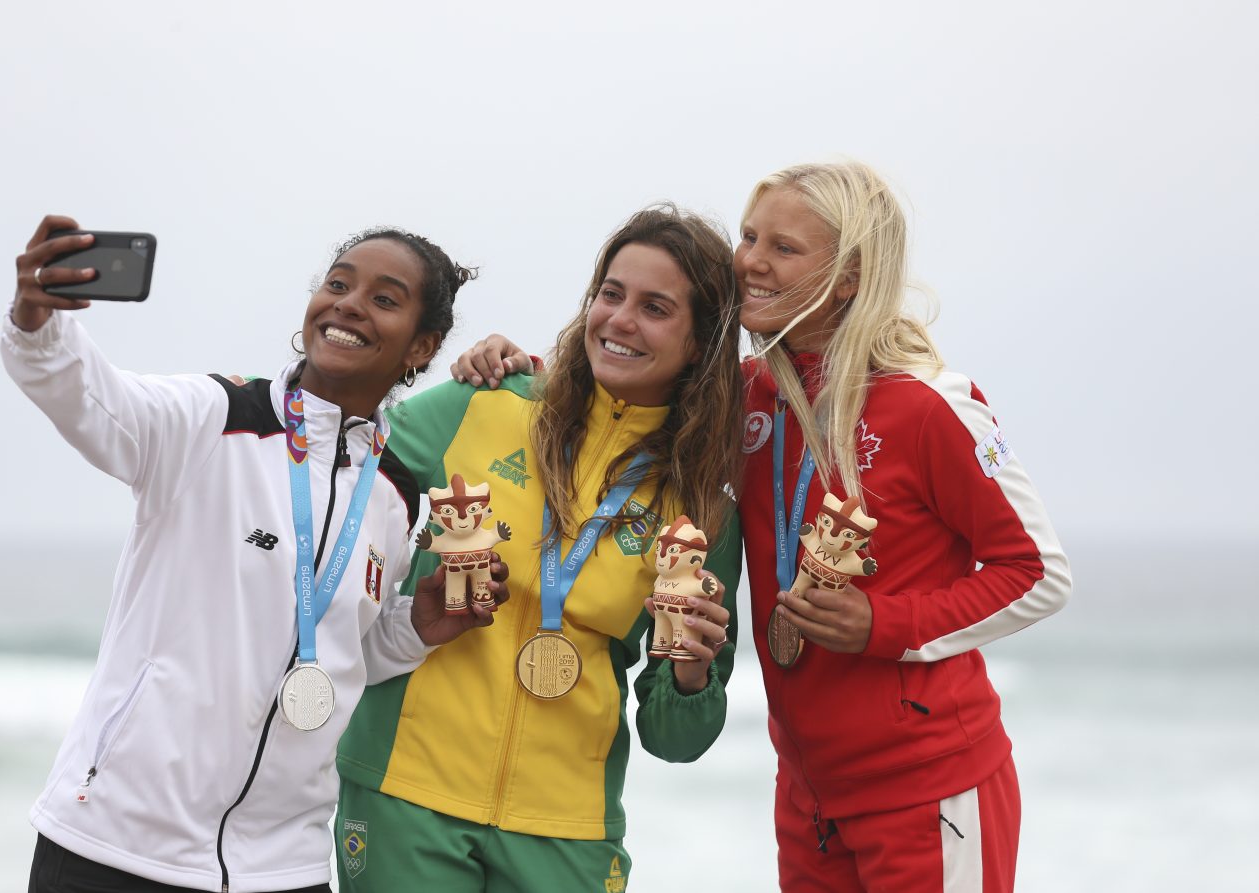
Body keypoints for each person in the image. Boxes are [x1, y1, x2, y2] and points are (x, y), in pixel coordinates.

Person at [454, 162, 1072, 892]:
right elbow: (623, 386)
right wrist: (522, 366)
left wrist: (885, 622)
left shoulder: (932, 403)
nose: (749, 259)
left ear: (848, 278)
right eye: (751, 237)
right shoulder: (745, 396)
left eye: (784, 247)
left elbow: (1038, 573)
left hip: (929, 783)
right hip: (808, 794)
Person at [3, 215, 506, 893]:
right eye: (337, 283)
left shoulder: (393, 492)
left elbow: (337, 647)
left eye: (384, 298)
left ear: (423, 345)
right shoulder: (212, 417)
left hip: (283, 863)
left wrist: (419, 625)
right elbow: (88, 397)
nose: (349, 304)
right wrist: (38, 320)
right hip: (116, 843)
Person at [333, 204, 746, 892]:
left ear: (700, 340)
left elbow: (677, 740)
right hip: (407, 791)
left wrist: (691, 677)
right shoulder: (484, 402)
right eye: (610, 294)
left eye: (655, 307)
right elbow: (330, 489)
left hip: (567, 828)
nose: (619, 319)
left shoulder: (701, 499)